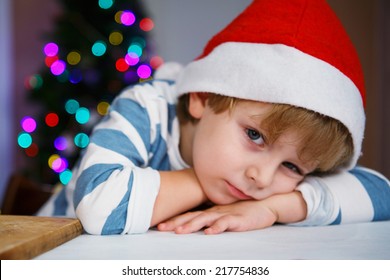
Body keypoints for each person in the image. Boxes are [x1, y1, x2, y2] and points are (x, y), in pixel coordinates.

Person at [37, 0, 390, 235]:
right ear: (201, 98)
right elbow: (98, 206)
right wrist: (199, 183)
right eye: (254, 136)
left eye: (293, 167)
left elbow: (381, 194)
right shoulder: (146, 107)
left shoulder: (265, 188)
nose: (261, 177)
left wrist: (275, 208)